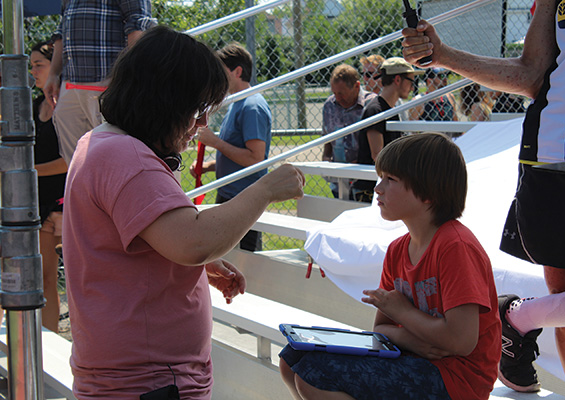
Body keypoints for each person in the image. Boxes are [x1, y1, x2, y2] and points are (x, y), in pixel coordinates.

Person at [63, 26, 305, 399]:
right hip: (148, 380)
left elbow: (136, 239)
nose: (202, 124)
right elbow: (193, 241)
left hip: (133, 373)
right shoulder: (129, 157)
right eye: (197, 109)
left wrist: (190, 266)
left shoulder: (100, 142)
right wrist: (266, 189)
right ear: (162, 100)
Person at [402, 5, 565, 398]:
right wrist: (442, 56)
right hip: (553, 152)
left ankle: (522, 318)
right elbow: (532, 73)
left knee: (564, 299)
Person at [279, 133, 501, 400]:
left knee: (314, 375)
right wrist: (412, 339)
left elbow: (461, 341)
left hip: (457, 380)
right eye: (380, 177)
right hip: (415, 357)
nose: (378, 188)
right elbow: (381, 330)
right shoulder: (397, 250)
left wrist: (403, 312)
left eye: (390, 179)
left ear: (428, 193)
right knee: (292, 358)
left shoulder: (456, 246)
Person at [44, 0, 156, 165]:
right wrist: (53, 74)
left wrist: (130, 79)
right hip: (70, 85)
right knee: (77, 164)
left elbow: (139, 25)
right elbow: (62, 31)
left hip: (109, 83)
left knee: (117, 160)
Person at [190, 42, 271, 251]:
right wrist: (209, 166)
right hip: (230, 195)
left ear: (238, 71)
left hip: (244, 199)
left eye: (221, 71)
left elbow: (255, 159)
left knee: (244, 262)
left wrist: (214, 142)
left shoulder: (252, 106)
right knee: (225, 258)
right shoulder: (238, 102)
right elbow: (237, 156)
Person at [30, 40, 68, 333]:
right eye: (31, 66)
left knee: (48, 279)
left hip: (59, 203)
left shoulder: (67, 105)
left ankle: (51, 340)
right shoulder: (32, 107)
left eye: (39, 65)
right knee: (29, 275)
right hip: (31, 202)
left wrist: (27, 171)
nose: (33, 72)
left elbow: (70, 160)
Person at [352, 57, 420, 202]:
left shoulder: (391, 110)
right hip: (371, 189)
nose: (412, 87)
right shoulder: (375, 110)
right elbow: (378, 155)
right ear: (397, 80)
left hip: (385, 185)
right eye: (411, 81)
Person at [321, 64, 377, 198]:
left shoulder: (372, 105)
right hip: (338, 181)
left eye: (341, 93)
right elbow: (328, 139)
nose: (338, 98)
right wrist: (326, 158)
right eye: (334, 93)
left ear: (357, 86)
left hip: (366, 181)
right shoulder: (329, 106)